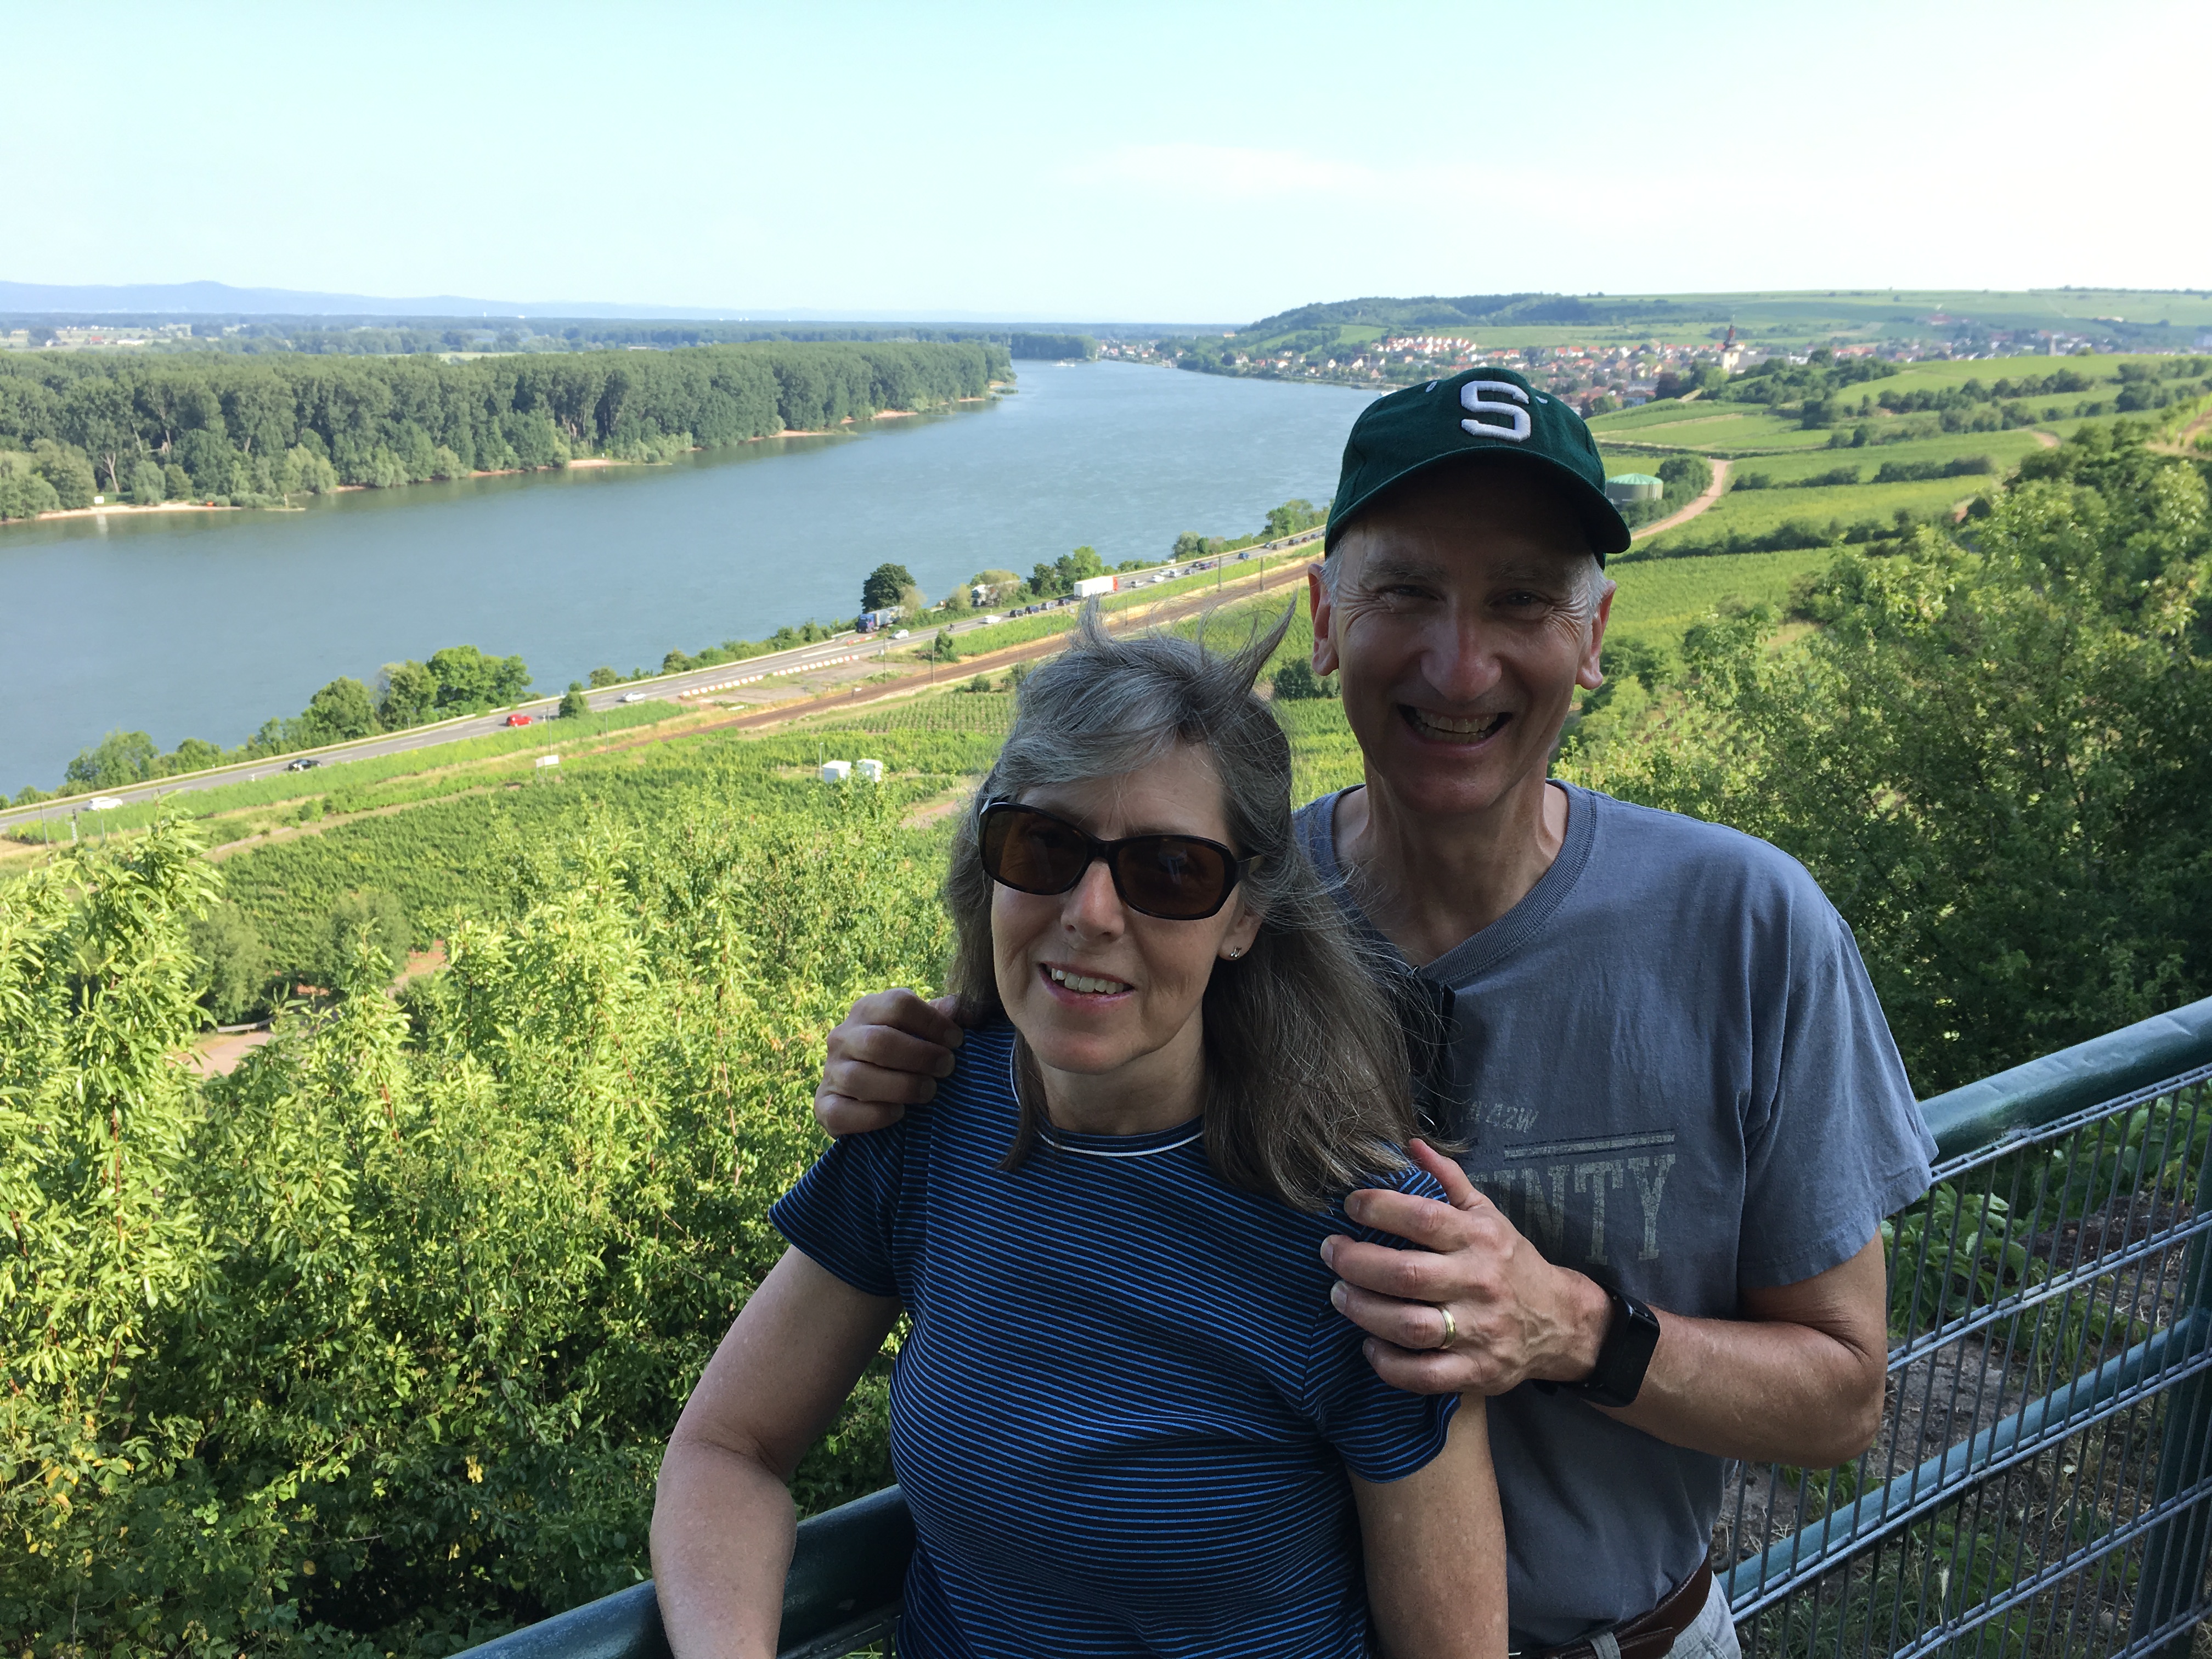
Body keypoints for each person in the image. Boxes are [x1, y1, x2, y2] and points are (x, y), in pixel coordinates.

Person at [812, 365, 1937, 1659]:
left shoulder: (1749, 928)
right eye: (1405, 593)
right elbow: (1039, 1071)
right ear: (1326, 621)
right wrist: (913, 1049)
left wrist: (1567, 1328)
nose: (1459, 665)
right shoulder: (1196, 908)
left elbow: (1841, 1398)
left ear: (1594, 637)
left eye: (1522, 598)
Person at [652, 611, 1507, 1659]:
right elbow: (728, 1450)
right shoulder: (925, 1123)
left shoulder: (1370, 1246)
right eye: (1045, 845)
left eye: (1169, 870)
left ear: (1244, 917)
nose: (1092, 912)